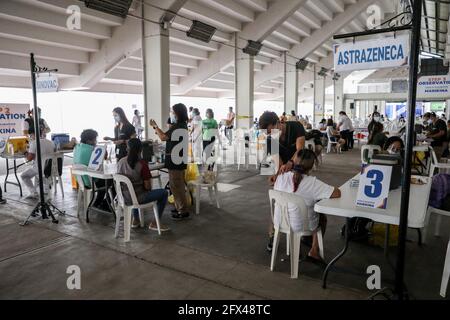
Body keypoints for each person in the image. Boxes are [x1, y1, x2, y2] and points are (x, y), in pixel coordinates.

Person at [273, 149, 341, 262]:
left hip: (280, 221)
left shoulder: (281, 176)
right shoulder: (313, 183)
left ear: (294, 161)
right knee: (322, 217)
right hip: (303, 226)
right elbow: (337, 193)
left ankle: (299, 245)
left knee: (300, 210)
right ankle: (314, 250)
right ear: (311, 166)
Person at [259, 111, 306, 251]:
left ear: (277, 123)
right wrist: (274, 175)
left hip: (299, 166)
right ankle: (274, 233)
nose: (269, 134)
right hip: (284, 170)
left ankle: (305, 231)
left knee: (302, 201)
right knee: (277, 202)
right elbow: (275, 161)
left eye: (270, 130)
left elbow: (300, 150)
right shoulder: (270, 138)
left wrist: (290, 164)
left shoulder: (296, 126)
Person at [117, 138, 169, 231]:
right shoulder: (142, 164)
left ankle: (136, 220)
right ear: (141, 150)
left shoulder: (121, 162)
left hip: (124, 197)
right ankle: (154, 223)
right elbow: (147, 186)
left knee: (133, 191)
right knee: (164, 193)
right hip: (138, 198)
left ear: (127, 149)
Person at [150, 103, 190, 220]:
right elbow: (165, 135)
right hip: (179, 160)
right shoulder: (181, 125)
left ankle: (182, 211)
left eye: (172, 112)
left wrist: (155, 126)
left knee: (177, 186)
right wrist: (157, 128)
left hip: (175, 161)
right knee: (177, 185)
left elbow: (163, 137)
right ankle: (179, 207)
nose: (171, 114)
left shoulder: (177, 127)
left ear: (177, 113)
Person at [73, 129, 110, 211]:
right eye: (94, 139)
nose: (96, 141)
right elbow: (99, 168)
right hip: (90, 181)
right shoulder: (92, 150)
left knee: (104, 182)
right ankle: (104, 204)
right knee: (111, 181)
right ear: (89, 140)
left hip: (80, 180)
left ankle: (97, 203)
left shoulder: (76, 147)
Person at [21, 129, 55, 199]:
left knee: (24, 176)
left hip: (40, 169)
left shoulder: (34, 143)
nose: (30, 137)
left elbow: (30, 158)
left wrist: (25, 152)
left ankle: (33, 192)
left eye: (30, 135)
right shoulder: (51, 142)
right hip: (52, 169)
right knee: (37, 171)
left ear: (33, 134)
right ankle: (46, 188)